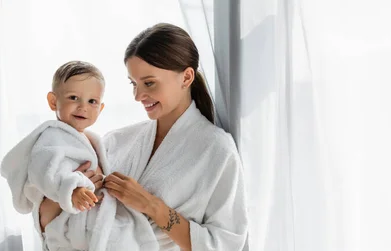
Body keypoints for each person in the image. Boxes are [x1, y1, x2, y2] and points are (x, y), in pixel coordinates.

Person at [38, 23, 249, 251]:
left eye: (149, 83)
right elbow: (48, 221)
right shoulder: (115, 141)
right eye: (133, 84)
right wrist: (63, 193)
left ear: (186, 77)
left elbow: (225, 244)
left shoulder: (216, 150)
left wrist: (151, 206)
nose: (138, 96)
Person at [0, 61, 158, 251]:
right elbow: (44, 171)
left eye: (92, 101)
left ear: (100, 108)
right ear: (53, 101)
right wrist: (71, 191)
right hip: (70, 224)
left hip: (90, 220)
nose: (83, 107)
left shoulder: (93, 140)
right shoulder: (51, 137)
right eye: (74, 97)